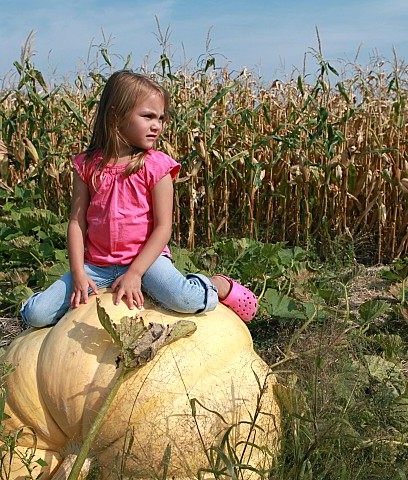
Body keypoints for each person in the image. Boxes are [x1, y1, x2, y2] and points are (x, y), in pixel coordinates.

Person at [20, 70, 257, 328]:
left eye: (161, 118)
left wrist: (135, 273)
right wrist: (78, 272)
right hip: (97, 266)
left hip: (147, 260)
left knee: (183, 299)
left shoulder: (157, 166)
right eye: (148, 116)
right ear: (115, 116)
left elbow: (163, 228)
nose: (157, 125)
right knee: (36, 315)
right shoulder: (87, 166)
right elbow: (77, 222)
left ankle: (217, 285)